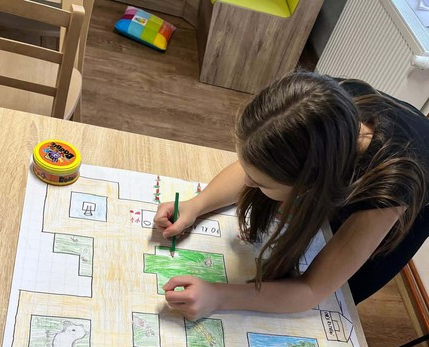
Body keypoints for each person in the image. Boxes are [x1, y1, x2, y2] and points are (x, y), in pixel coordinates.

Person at [154, 71, 429, 321]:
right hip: (376, 142)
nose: (246, 182)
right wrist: (197, 204)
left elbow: (311, 290)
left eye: (260, 182)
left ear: (309, 185)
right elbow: (257, 163)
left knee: (343, 289)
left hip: (413, 186)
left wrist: (218, 296)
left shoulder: (388, 189)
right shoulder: (315, 103)